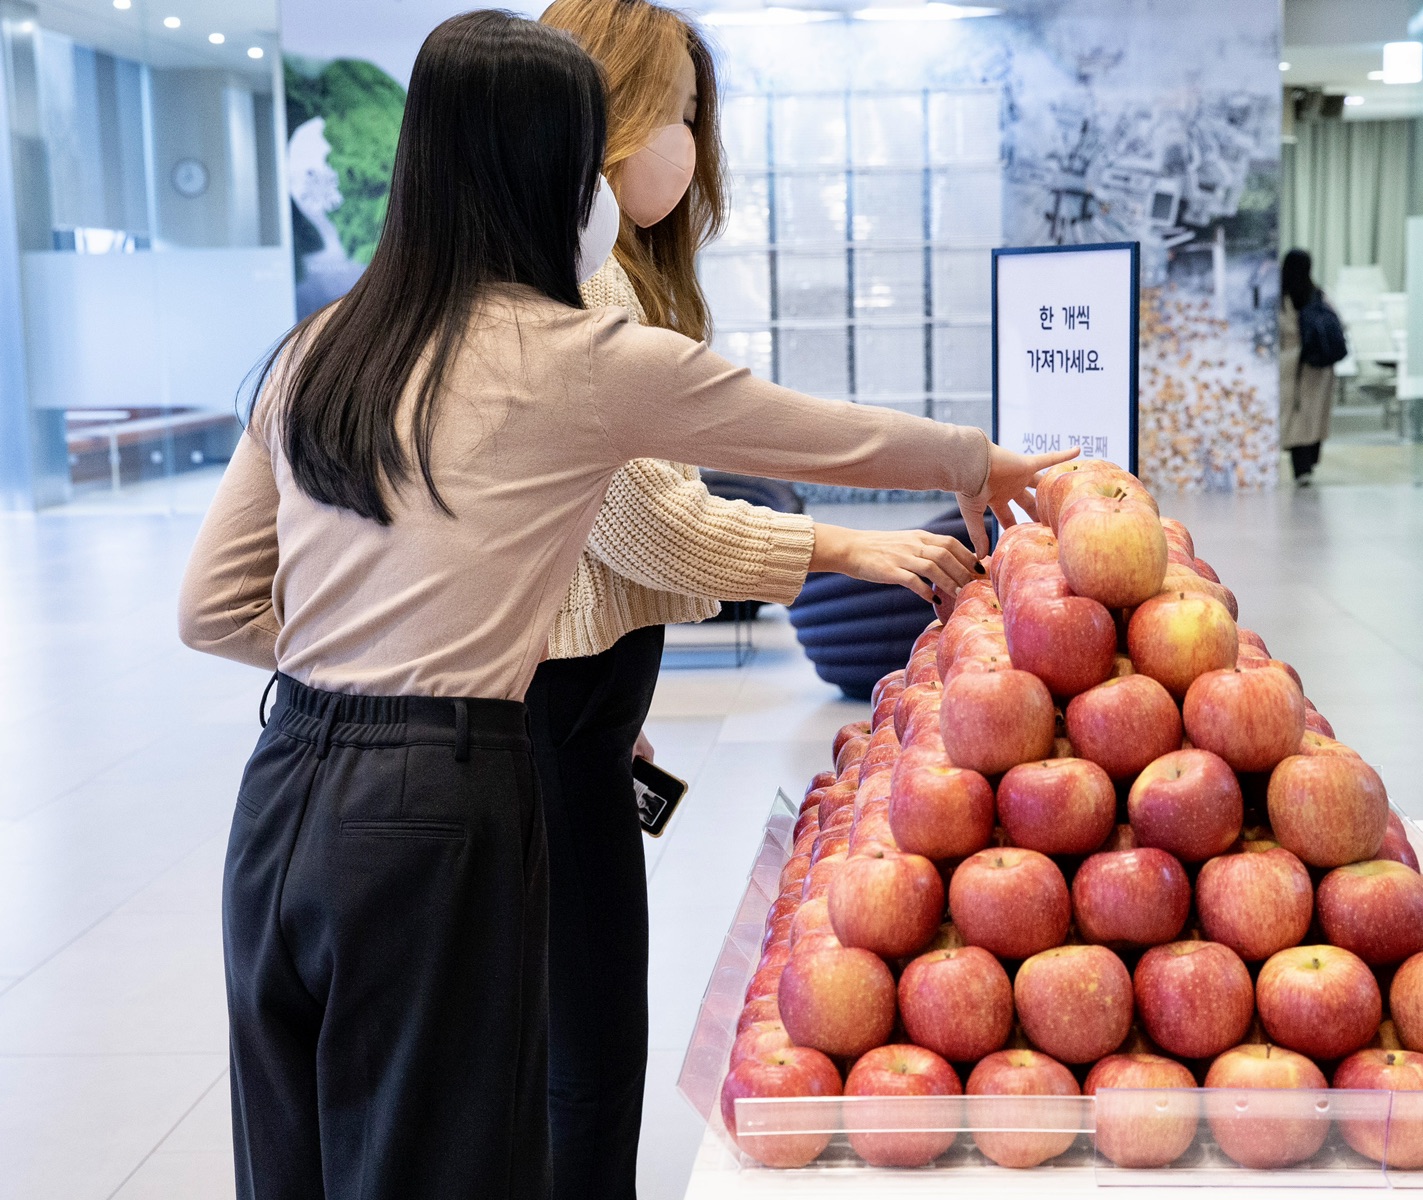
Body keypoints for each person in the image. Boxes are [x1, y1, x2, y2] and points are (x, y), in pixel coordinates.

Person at [176, 11, 1073, 1200]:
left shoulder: (316, 350)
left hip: (281, 787)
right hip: (440, 803)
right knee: (445, 1155)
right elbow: (813, 428)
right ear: (553, 172)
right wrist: (980, 462)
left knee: (288, 1157)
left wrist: (372, 660)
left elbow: (213, 608)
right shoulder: (577, 353)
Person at [526, 4, 978, 1195]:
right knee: (581, 1034)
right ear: (604, 111)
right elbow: (648, 519)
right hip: (538, 717)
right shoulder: (582, 290)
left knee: (575, 1017)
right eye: (675, 112)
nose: (690, 144)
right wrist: (849, 547)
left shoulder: (596, 276)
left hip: (570, 705)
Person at [1279, 248, 1339, 486]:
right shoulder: (1318, 295)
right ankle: (1308, 464)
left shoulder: (1281, 298)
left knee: (1296, 417)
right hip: (1319, 368)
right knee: (1314, 417)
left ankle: (1302, 466)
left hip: (1291, 366)